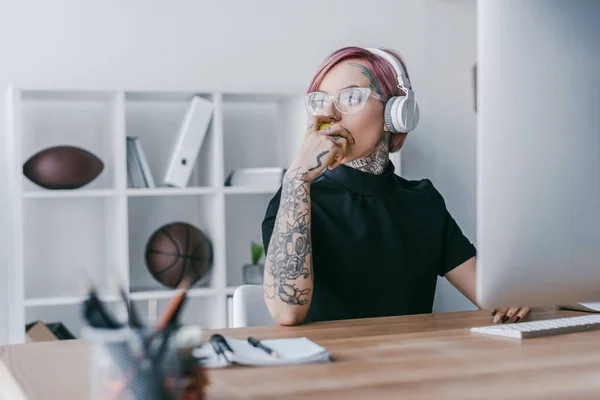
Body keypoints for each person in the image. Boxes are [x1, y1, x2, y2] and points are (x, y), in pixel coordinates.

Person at [261, 46, 530, 326]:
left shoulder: (423, 201)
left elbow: (493, 296)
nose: (330, 115)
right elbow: (287, 312)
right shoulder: (296, 198)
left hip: (409, 364)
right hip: (329, 366)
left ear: (395, 113)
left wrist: (515, 296)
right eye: (321, 102)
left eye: (350, 97)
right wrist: (297, 177)